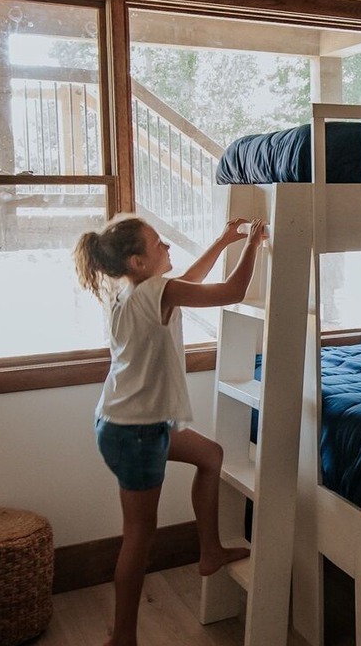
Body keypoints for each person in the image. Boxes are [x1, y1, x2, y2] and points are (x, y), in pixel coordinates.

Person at [73, 214, 269, 646]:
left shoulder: (130, 290)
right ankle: (122, 637)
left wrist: (222, 241)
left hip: (123, 423)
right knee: (139, 538)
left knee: (210, 456)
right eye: (159, 244)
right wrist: (253, 243)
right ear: (138, 261)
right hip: (136, 432)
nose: (167, 249)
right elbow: (230, 292)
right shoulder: (157, 291)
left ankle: (210, 550)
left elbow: (190, 282)